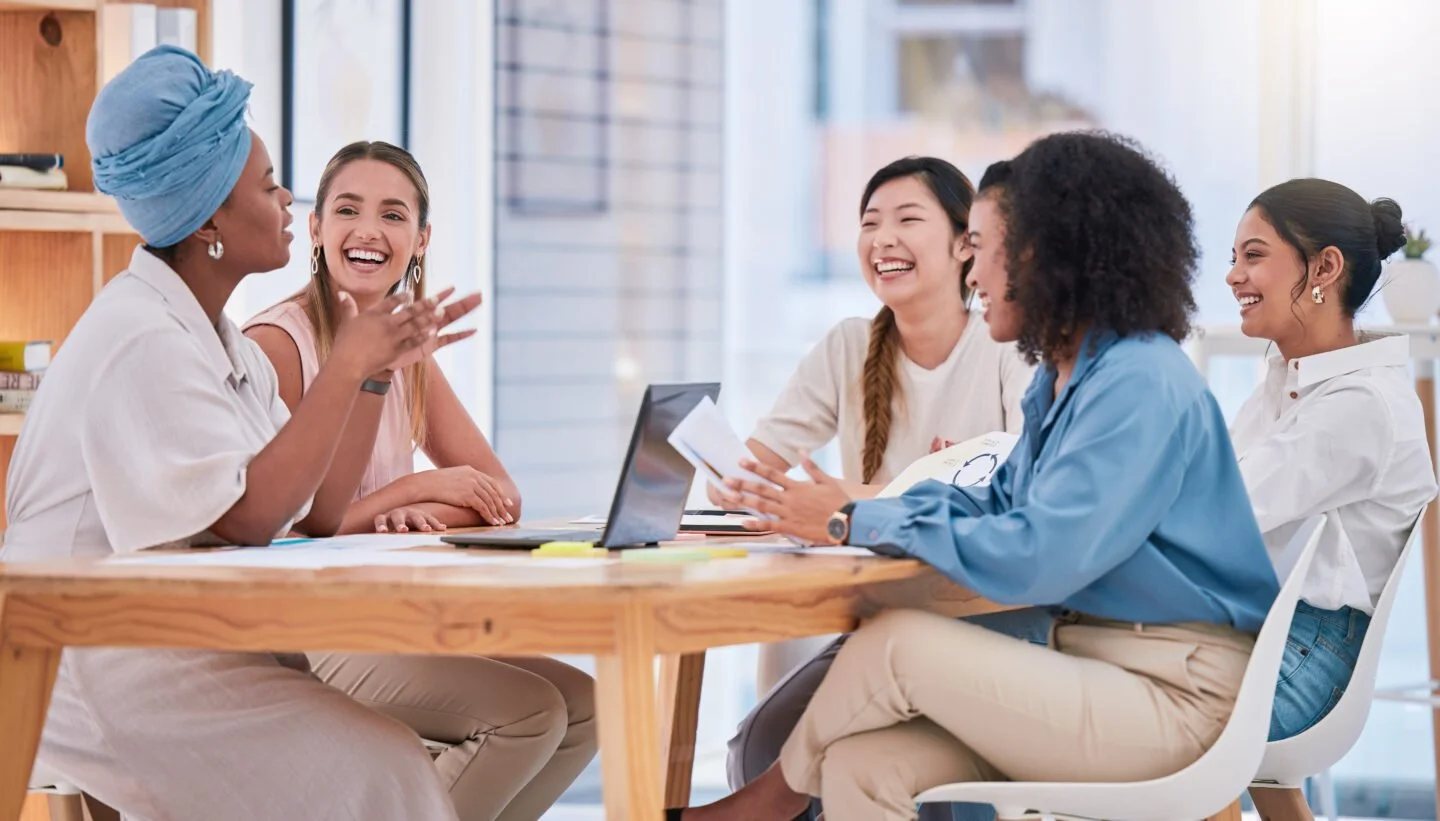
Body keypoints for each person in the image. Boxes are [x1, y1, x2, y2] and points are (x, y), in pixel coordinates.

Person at [673, 131, 1281, 821]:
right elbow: (993, 499)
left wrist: (853, 518)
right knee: (859, 764)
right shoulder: (1068, 380)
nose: (973, 274)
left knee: (895, 644)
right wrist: (855, 509)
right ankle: (765, 802)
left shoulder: (1138, 383)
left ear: (1043, 254)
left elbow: (1041, 554)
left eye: (982, 247)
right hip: (1096, 665)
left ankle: (761, 804)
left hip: (1176, 695)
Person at [1, 46, 482, 820]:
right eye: (267, 185)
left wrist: (372, 370)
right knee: (389, 770)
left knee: (390, 757)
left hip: (179, 638)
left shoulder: (215, 340)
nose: (289, 198)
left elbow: (315, 510)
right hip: (95, 657)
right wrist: (344, 365)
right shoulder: (140, 336)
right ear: (212, 220)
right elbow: (249, 515)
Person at [243, 141, 596, 821]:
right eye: (347, 209)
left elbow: (497, 495)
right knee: (525, 714)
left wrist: (430, 505)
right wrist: (405, 496)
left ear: (421, 239)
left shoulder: (406, 354)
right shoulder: (278, 346)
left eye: (393, 214)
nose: (369, 229)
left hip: (391, 617)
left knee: (585, 708)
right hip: (305, 633)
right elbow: (278, 525)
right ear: (315, 229)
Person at [726, 157, 1042, 821]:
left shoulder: (1007, 347)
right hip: (881, 618)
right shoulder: (849, 346)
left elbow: (1021, 497)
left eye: (906, 219)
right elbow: (749, 471)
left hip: (986, 621)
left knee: (905, 769)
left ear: (965, 246)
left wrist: (854, 500)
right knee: (761, 746)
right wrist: (743, 486)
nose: (882, 238)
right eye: (870, 223)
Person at [1224, 178, 1437, 744]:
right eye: (1234, 258)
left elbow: (1220, 510)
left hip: (1304, 652)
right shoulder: (1287, 378)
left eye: (1254, 255)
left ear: (1324, 269)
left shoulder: (1358, 404)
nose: (1232, 275)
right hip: (1262, 626)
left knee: (1082, 704)